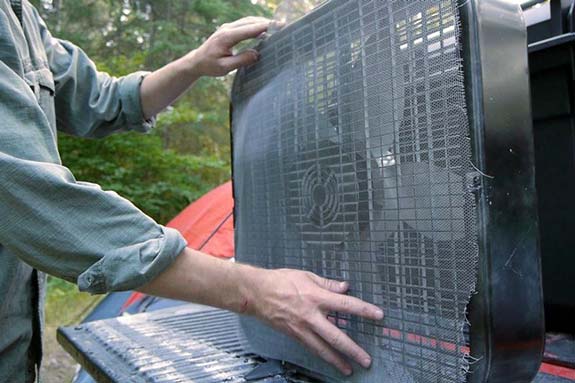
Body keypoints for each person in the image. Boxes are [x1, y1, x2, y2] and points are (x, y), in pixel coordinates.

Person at [0, 1, 384, 381]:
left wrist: (196, 62)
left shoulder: (23, 19)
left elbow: (107, 102)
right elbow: (31, 197)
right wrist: (257, 291)